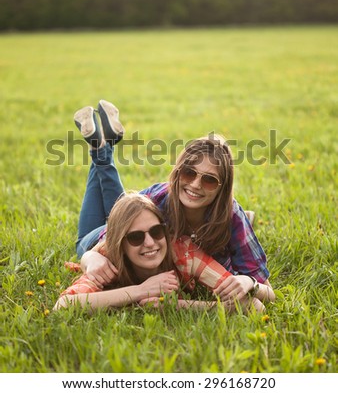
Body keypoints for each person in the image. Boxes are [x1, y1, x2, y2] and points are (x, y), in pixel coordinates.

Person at [72, 100, 275, 308]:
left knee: (119, 200)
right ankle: (100, 149)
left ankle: (100, 148)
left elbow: (267, 291)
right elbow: (116, 230)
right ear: (178, 173)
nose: (195, 185)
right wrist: (89, 257)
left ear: (222, 189)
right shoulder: (160, 197)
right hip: (105, 236)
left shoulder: (231, 216)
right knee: (88, 237)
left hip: (148, 242)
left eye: (209, 180)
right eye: (189, 172)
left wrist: (249, 282)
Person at [54, 192, 265, 311]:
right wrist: (141, 291)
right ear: (120, 243)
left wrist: (178, 306)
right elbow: (63, 306)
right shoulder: (107, 259)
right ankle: (100, 149)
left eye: (156, 231)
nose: (150, 243)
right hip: (96, 236)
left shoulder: (183, 252)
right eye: (135, 237)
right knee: (83, 241)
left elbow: (254, 306)